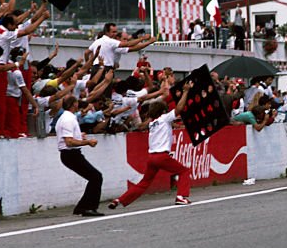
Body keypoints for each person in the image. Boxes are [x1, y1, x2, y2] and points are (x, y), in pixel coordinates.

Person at [108, 80, 194, 208]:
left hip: (152, 158)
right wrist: (186, 91)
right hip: (162, 156)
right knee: (184, 171)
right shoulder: (164, 119)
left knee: (144, 182)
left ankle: (120, 200)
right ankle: (181, 197)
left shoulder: (152, 123)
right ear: (163, 111)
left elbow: (143, 125)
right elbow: (179, 108)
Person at [55, 95, 104, 216]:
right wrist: (87, 142)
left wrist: (79, 136)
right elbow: (69, 142)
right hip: (71, 153)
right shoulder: (68, 119)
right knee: (96, 177)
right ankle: (87, 207)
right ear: (74, 105)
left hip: (70, 154)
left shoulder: (65, 118)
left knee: (94, 177)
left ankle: (83, 207)